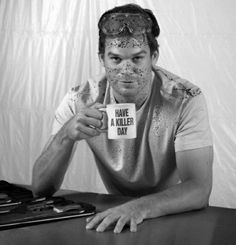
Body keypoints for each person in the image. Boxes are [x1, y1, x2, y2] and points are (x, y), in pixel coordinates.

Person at [32, 3, 213, 233]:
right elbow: (40, 188)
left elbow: (198, 188)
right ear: (102, 59)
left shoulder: (186, 99)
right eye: (116, 59)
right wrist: (65, 136)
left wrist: (138, 208)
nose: (126, 70)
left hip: (175, 215)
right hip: (117, 216)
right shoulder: (80, 99)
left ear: (154, 56)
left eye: (137, 58)